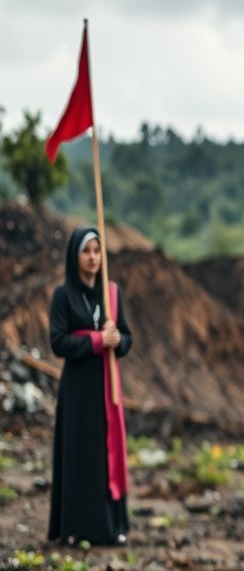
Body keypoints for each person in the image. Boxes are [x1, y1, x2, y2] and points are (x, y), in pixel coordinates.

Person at [47, 227, 133, 547]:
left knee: (105, 454)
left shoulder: (111, 295)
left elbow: (126, 339)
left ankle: (110, 527)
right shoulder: (63, 296)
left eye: (98, 251)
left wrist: (116, 340)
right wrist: (97, 341)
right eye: (87, 252)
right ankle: (76, 528)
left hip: (106, 388)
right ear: (75, 256)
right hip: (77, 392)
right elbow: (58, 343)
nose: (93, 258)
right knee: (79, 455)